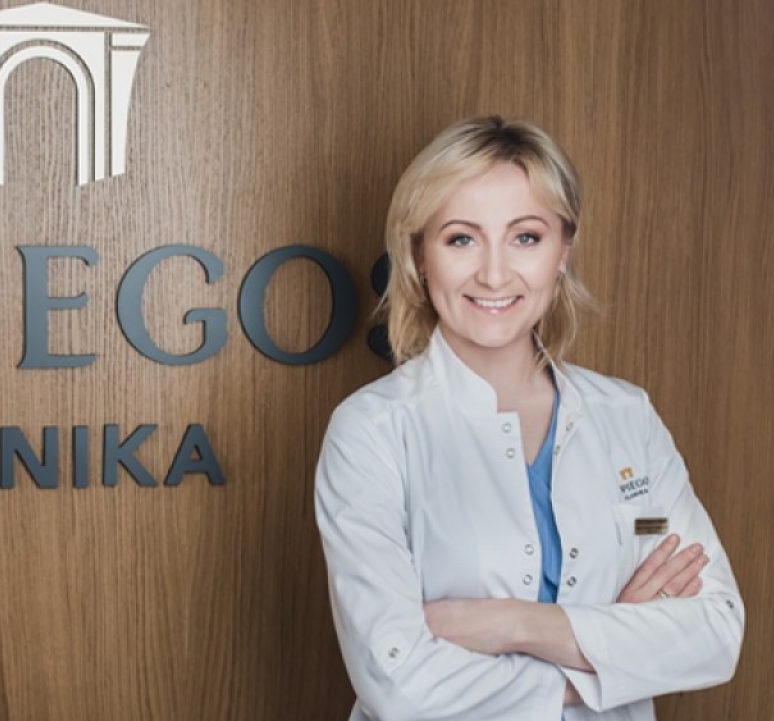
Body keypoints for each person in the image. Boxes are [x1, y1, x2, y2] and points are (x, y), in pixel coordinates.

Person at [313, 115, 745, 721]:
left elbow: (715, 631)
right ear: (418, 255)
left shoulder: (626, 417)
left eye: (525, 237)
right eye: (461, 239)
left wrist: (513, 624)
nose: (494, 274)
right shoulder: (373, 431)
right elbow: (400, 684)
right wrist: (612, 650)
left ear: (563, 250)